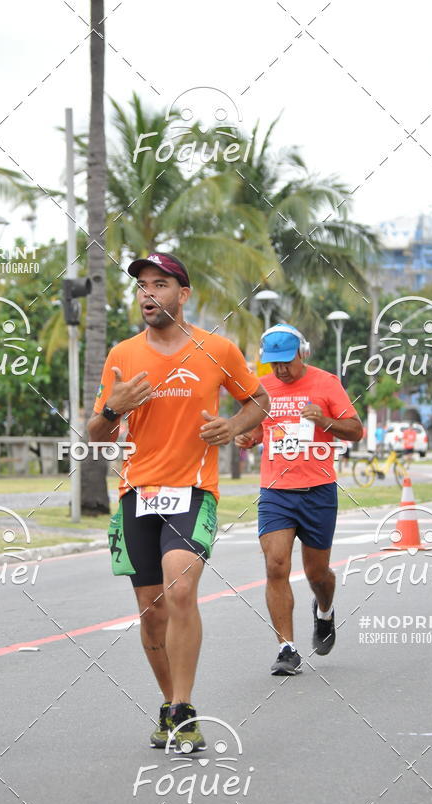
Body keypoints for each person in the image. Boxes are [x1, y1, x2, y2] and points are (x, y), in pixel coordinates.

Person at [88, 252, 269, 751]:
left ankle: (185, 707)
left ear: (183, 294)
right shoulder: (123, 355)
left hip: (193, 491)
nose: (148, 294)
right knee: (151, 612)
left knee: (181, 590)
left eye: (160, 284)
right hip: (135, 495)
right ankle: (170, 706)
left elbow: (259, 400)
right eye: (142, 286)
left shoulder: (218, 350)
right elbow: (97, 435)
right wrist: (111, 408)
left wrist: (232, 427)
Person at [236, 323, 363, 675]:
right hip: (276, 492)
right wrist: (248, 438)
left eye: (286, 362)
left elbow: (356, 429)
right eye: (273, 363)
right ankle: (286, 648)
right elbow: (257, 429)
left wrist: (323, 419)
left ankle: (324, 612)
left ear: (302, 354)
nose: (280, 369)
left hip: (319, 491)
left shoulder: (326, 383)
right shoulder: (262, 389)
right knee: (276, 564)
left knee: (316, 573)